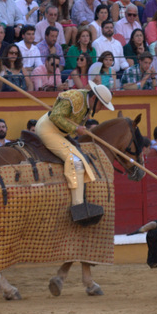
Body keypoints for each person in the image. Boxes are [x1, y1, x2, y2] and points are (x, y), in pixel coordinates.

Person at [35, 82, 115, 224]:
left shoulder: (87, 103)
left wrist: (75, 129)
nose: (102, 108)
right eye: (101, 105)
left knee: (80, 156)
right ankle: (77, 206)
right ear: (93, 98)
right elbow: (55, 116)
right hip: (48, 130)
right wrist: (76, 128)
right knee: (76, 161)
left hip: (61, 133)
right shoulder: (74, 97)